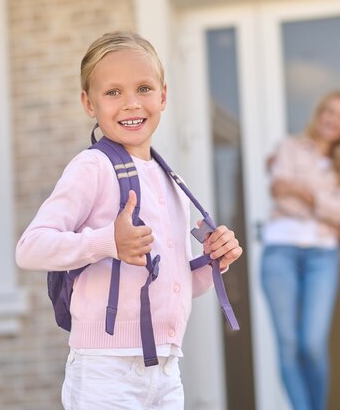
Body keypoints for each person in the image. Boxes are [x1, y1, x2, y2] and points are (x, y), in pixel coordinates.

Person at [15, 31, 243, 410]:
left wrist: (213, 263)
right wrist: (108, 242)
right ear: (89, 103)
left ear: (163, 96)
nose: (131, 104)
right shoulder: (92, 167)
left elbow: (174, 283)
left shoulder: (171, 180)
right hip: (107, 372)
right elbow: (30, 249)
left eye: (143, 88)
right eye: (113, 92)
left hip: (166, 371)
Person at [261, 91, 340, 410]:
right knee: (287, 343)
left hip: (322, 256)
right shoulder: (289, 146)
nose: (333, 120)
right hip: (280, 252)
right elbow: (279, 191)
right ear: (319, 113)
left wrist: (303, 193)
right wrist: (325, 207)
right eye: (329, 111)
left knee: (312, 343)